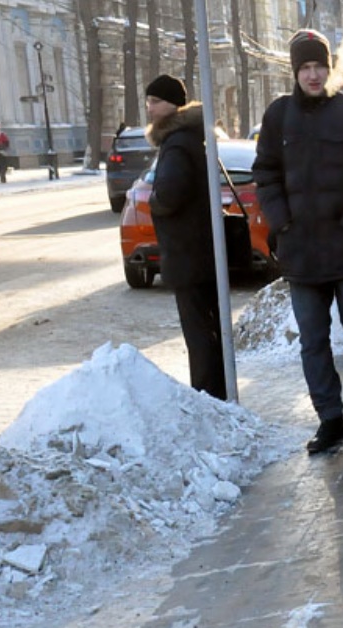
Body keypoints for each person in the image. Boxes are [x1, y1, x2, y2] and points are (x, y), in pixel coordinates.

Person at [253, 29, 343, 454]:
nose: (313, 75)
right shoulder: (278, 117)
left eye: (320, 66)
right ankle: (330, 419)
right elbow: (266, 174)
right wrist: (282, 224)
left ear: (330, 68)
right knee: (313, 340)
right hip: (302, 252)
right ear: (295, 72)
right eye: (305, 68)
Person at [143, 74, 227, 401]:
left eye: (154, 102)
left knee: (199, 334)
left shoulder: (176, 143)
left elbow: (169, 193)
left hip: (187, 254)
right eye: (149, 102)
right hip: (200, 252)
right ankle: (216, 392)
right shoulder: (190, 138)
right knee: (209, 329)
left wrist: (154, 201)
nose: (149, 109)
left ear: (171, 104)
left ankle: (208, 396)